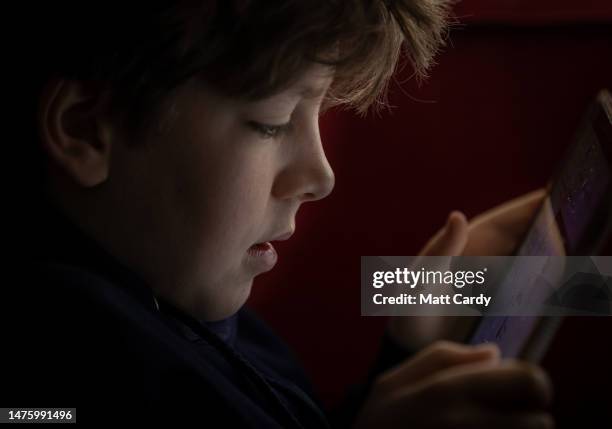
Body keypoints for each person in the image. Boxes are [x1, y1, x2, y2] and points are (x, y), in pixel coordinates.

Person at [4, 1, 553, 427]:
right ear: (85, 128)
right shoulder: (64, 365)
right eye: (272, 122)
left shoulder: (176, 289)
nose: (321, 176)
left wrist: (415, 342)